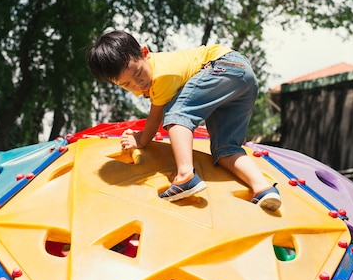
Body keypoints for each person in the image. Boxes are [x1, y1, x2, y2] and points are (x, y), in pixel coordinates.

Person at [85, 30, 281, 211]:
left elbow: (156, 116)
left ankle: (185, 174)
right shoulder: (152, 74)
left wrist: (140, 139)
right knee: (225, 149)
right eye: (127, 84)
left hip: (224, 65)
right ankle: (263, 188)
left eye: (138, 73)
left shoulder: (163, 74)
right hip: (243, 79)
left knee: (177, 112)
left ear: (145, 53)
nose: (138, 83)